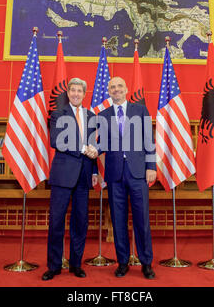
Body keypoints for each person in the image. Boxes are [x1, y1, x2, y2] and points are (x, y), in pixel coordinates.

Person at [96, 76, 156, 279]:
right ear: (109, 91)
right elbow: (101, 143)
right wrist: (88, 149)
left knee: (142, 220)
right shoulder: (103, 115)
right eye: (112, 87)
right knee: (118, 220)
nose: (116, 89)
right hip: (114, 174)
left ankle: (146, 262)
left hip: (138, 172)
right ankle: (122, 262)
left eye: (119, 86)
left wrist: (151, 166)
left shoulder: (140, 110)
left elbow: (149, 139)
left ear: (126, 89)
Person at [42, 78, 98, 281]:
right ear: (68, 93)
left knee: (80, 222)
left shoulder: (91, 116)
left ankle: (76, 264)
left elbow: (92, 145)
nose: (75, 94)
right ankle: (54, 265)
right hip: (63, 175)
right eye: (72, 90)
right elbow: (57, 141)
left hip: (84, 176)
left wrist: (93, 171)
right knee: (56, 221)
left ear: (84, 94)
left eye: (79, 91)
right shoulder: (58, 114)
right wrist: (83, 149)